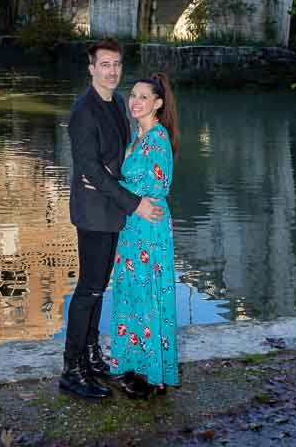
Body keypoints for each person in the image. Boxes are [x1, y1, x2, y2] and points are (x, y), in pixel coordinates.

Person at [60, 38, 165, 401]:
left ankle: (91, 358)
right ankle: (71, 369)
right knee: (87, 289)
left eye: (117, 64)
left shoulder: (118, 102)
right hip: (92, 214)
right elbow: (90, 169)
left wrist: (120, 182)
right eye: (105, 64)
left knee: (99, 288)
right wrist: (134, 202)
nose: (112, 70)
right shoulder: (83, 111)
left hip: (111, 209)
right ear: (91, 69)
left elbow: (117, 161)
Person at [105, 73, 180, 398]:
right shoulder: (137, 139)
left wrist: (109, 188)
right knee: (132, 294)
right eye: (132, 95)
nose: (134, 102)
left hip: (149, 229)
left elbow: (159, 186)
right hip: (132, 227)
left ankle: (154, 377)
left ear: (158, 104)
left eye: (143, 97)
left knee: (148, 296)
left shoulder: (159, 138)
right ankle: (137, 365)